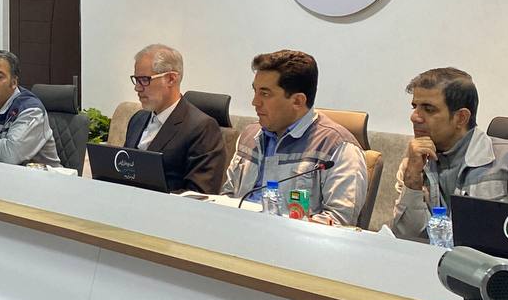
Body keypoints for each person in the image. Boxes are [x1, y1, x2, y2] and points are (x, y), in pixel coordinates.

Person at [392, 67, 508, 240]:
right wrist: (412, 180)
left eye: (428, 109)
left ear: (461, 118)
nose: (415, 117)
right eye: (415, 107)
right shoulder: (415, 163)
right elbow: (405, 238)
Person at [221, 50, 367, 225]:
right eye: (255, 91)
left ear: (298, 101)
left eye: (265, 94)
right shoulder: (249, 135)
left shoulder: (338, 148)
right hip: (236, 231)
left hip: (292, 239)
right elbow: (227, 196)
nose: (255, 102)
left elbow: (339, 221)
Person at [123, 44, 226, 194]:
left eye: (144, 80)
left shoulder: (202, 128)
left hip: (167, 207)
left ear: (171, 79)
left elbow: (199, 194)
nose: (137, 88)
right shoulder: (137, 119)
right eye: (136, 80)